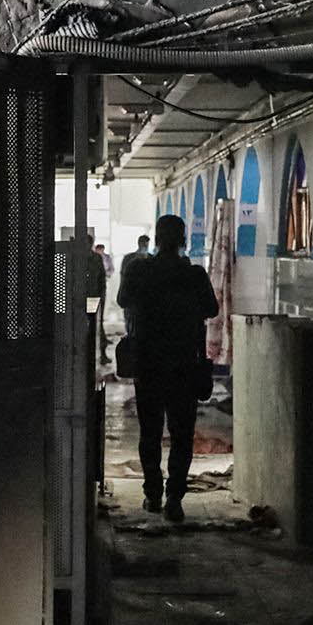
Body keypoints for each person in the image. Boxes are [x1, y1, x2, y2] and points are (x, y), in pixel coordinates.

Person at [115, 214, 218, 523]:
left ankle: (152, 494)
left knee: (150, 431)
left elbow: (122, 300)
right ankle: (174, 498)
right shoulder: (195, 275)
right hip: (184, 364)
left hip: (148, 362)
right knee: (181, 433)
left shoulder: (139, 270)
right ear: (183, 239)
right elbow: (212, 309)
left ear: (157, 239)